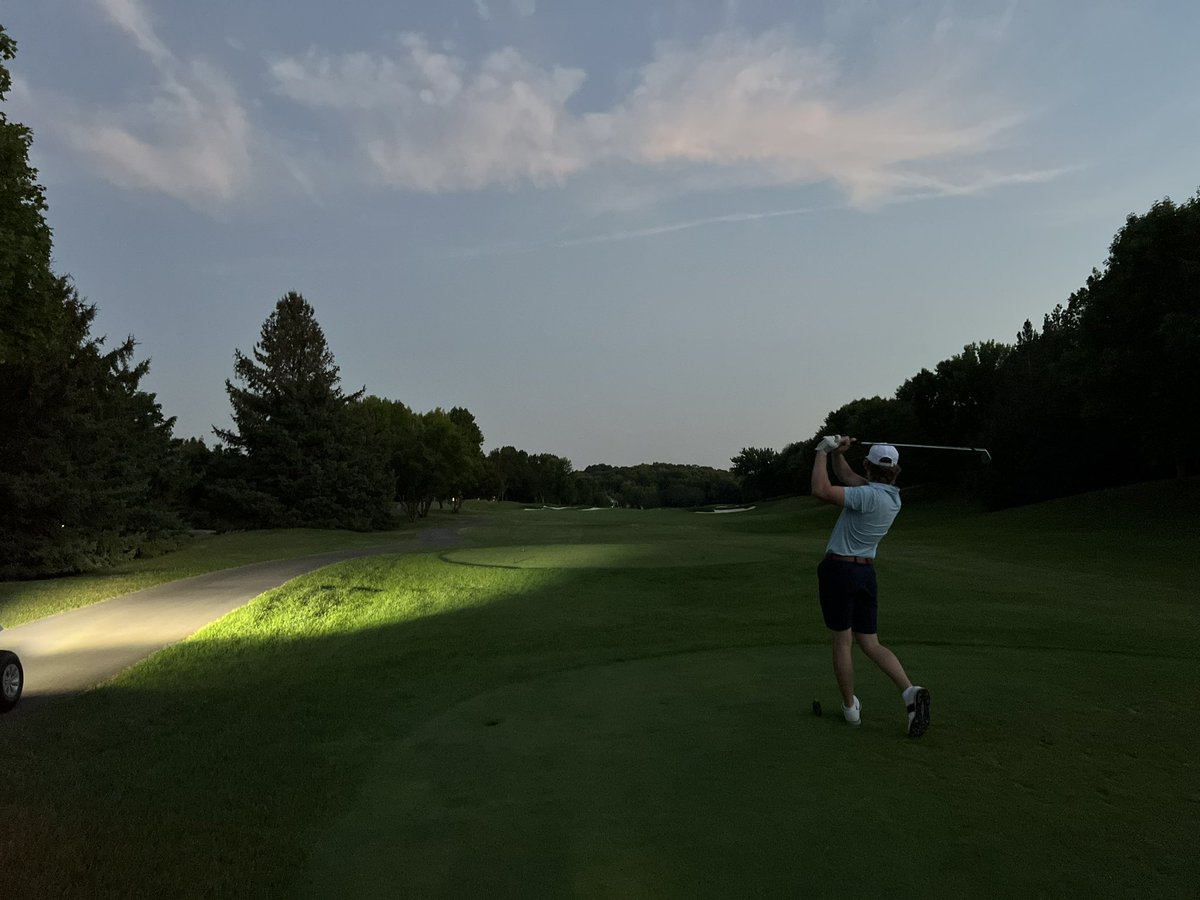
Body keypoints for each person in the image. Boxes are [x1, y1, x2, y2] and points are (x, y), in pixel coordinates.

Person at [810, 435, 930, 737]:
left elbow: (820, 490)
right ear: (895, 470)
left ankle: (850, 709)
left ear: (868, 464)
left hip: (840, 570)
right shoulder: (891, 498)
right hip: (866, 574)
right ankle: (909, 691)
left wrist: (821, 452)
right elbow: (848, 477)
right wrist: (839, 453)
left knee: (842, 641)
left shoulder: (866, 496)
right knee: (871, 643)